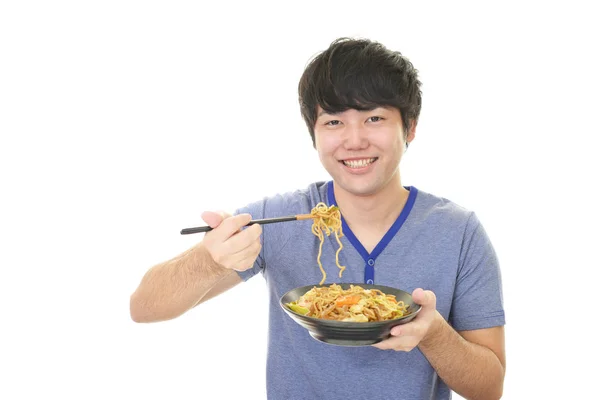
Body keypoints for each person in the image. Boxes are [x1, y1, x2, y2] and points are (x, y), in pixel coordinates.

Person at [130, 37, 506, 400]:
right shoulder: (277, 219)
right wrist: (207, 260)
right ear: (313, 132)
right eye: (333, 122)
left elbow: (489, 389)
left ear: (409, 128)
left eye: (374, 118)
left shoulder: (458, 232)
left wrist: (434, 333)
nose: (354, 140)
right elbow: (143, 308)